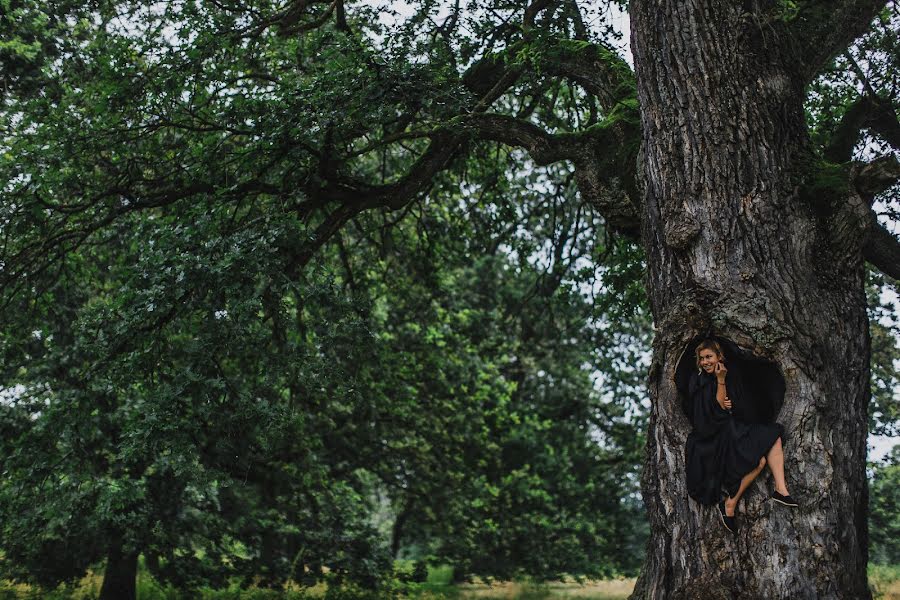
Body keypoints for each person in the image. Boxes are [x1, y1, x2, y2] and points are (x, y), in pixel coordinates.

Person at [681, 338, 798, 534]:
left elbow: (729, 406)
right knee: (762, 454)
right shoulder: (697, 379)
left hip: (729, 429)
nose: (705, 362)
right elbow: (717, 411)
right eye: (702, 358)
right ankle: (730, 505)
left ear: (719, 356)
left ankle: (780, 490)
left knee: (769, 442)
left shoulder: (729, 375)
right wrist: (720, 382)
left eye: (709, 357)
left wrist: (724, 388)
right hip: (712, 436)